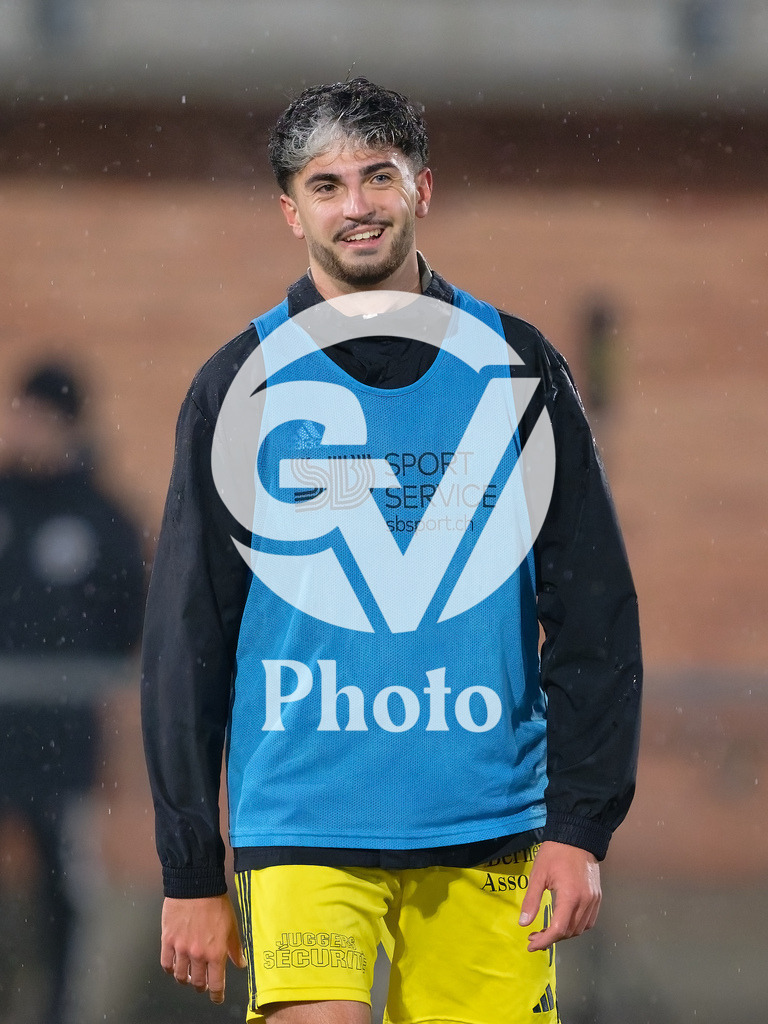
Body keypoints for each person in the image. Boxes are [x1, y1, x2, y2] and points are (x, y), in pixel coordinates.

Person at [141, 79, 642, 1024]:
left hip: (489, 822)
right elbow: (187, 639)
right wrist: (189, 865)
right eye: (326, 185)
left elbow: (595, 616)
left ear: (424, 188)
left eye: (379, 175)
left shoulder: (518, 369)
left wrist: (581, 824)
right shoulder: (239, 386)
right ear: (291, 212)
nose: (357, 205)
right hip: (301, 819)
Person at [0, 359, 146, 1023]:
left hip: (59, 744)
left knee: (62, 888)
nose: (23, 430)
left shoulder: (102, 519)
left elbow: (125, 618)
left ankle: (60, 1008)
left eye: (37, 417)